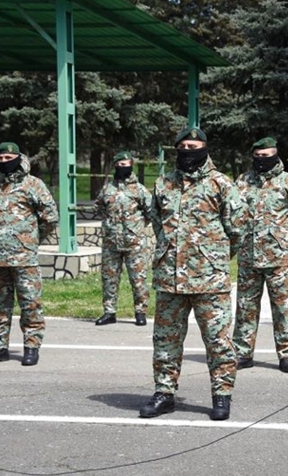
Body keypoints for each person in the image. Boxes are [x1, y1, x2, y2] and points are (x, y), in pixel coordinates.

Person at [138, 128, 244, 421]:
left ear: (205, 148)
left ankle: (221, 396)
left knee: (218, 341)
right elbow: (157, 222)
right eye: (183, 146)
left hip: (210, 279)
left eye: (193, 145)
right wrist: (169, 251)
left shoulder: (221, 183)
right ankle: (164, 393)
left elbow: (237, 229)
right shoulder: (164, 183)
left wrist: (214, 256)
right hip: (170, 278)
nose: (188, 150)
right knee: (165, 340)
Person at [0, 143, 59, 366]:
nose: (4, 161)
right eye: (0, 158)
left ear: (18, 157)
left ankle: (31, 347)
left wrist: (30, 241)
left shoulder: (33, 184)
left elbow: (50, 218)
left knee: (30, 303)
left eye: (8, 157)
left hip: (24, 257)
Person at [232, 137, 288, 373]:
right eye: (258, 156)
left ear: (275, 155)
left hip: (279, 258)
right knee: (245, 307)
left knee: (283, 308)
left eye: (266, 156)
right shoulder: (243, 181)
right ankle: (243, 353)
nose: (261, 160)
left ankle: (286, 354)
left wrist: (279, 234)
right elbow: (234, 212)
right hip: (249, 255)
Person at [93, 151, 153, 327]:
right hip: (111, 242)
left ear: (131, 165)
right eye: (119, 165)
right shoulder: (107, 188)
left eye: (126, 165)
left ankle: (140, 312)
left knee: (138, 279)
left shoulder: (139, 189)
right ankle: (109, 312)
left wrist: (137, 226)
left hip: (134, 243)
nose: (122, 168)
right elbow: (99, 207)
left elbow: (150, 212)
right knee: (109, 279)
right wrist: (110, 224)